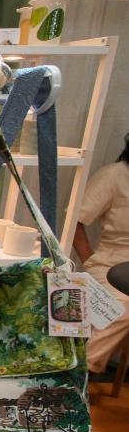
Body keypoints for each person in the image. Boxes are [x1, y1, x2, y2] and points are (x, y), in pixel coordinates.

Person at [73, 133, 129, 377]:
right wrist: (90, 262)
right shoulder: (116, 175)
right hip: (110, 263)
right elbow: (75, 221)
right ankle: (77, 374)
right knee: (121, 306)